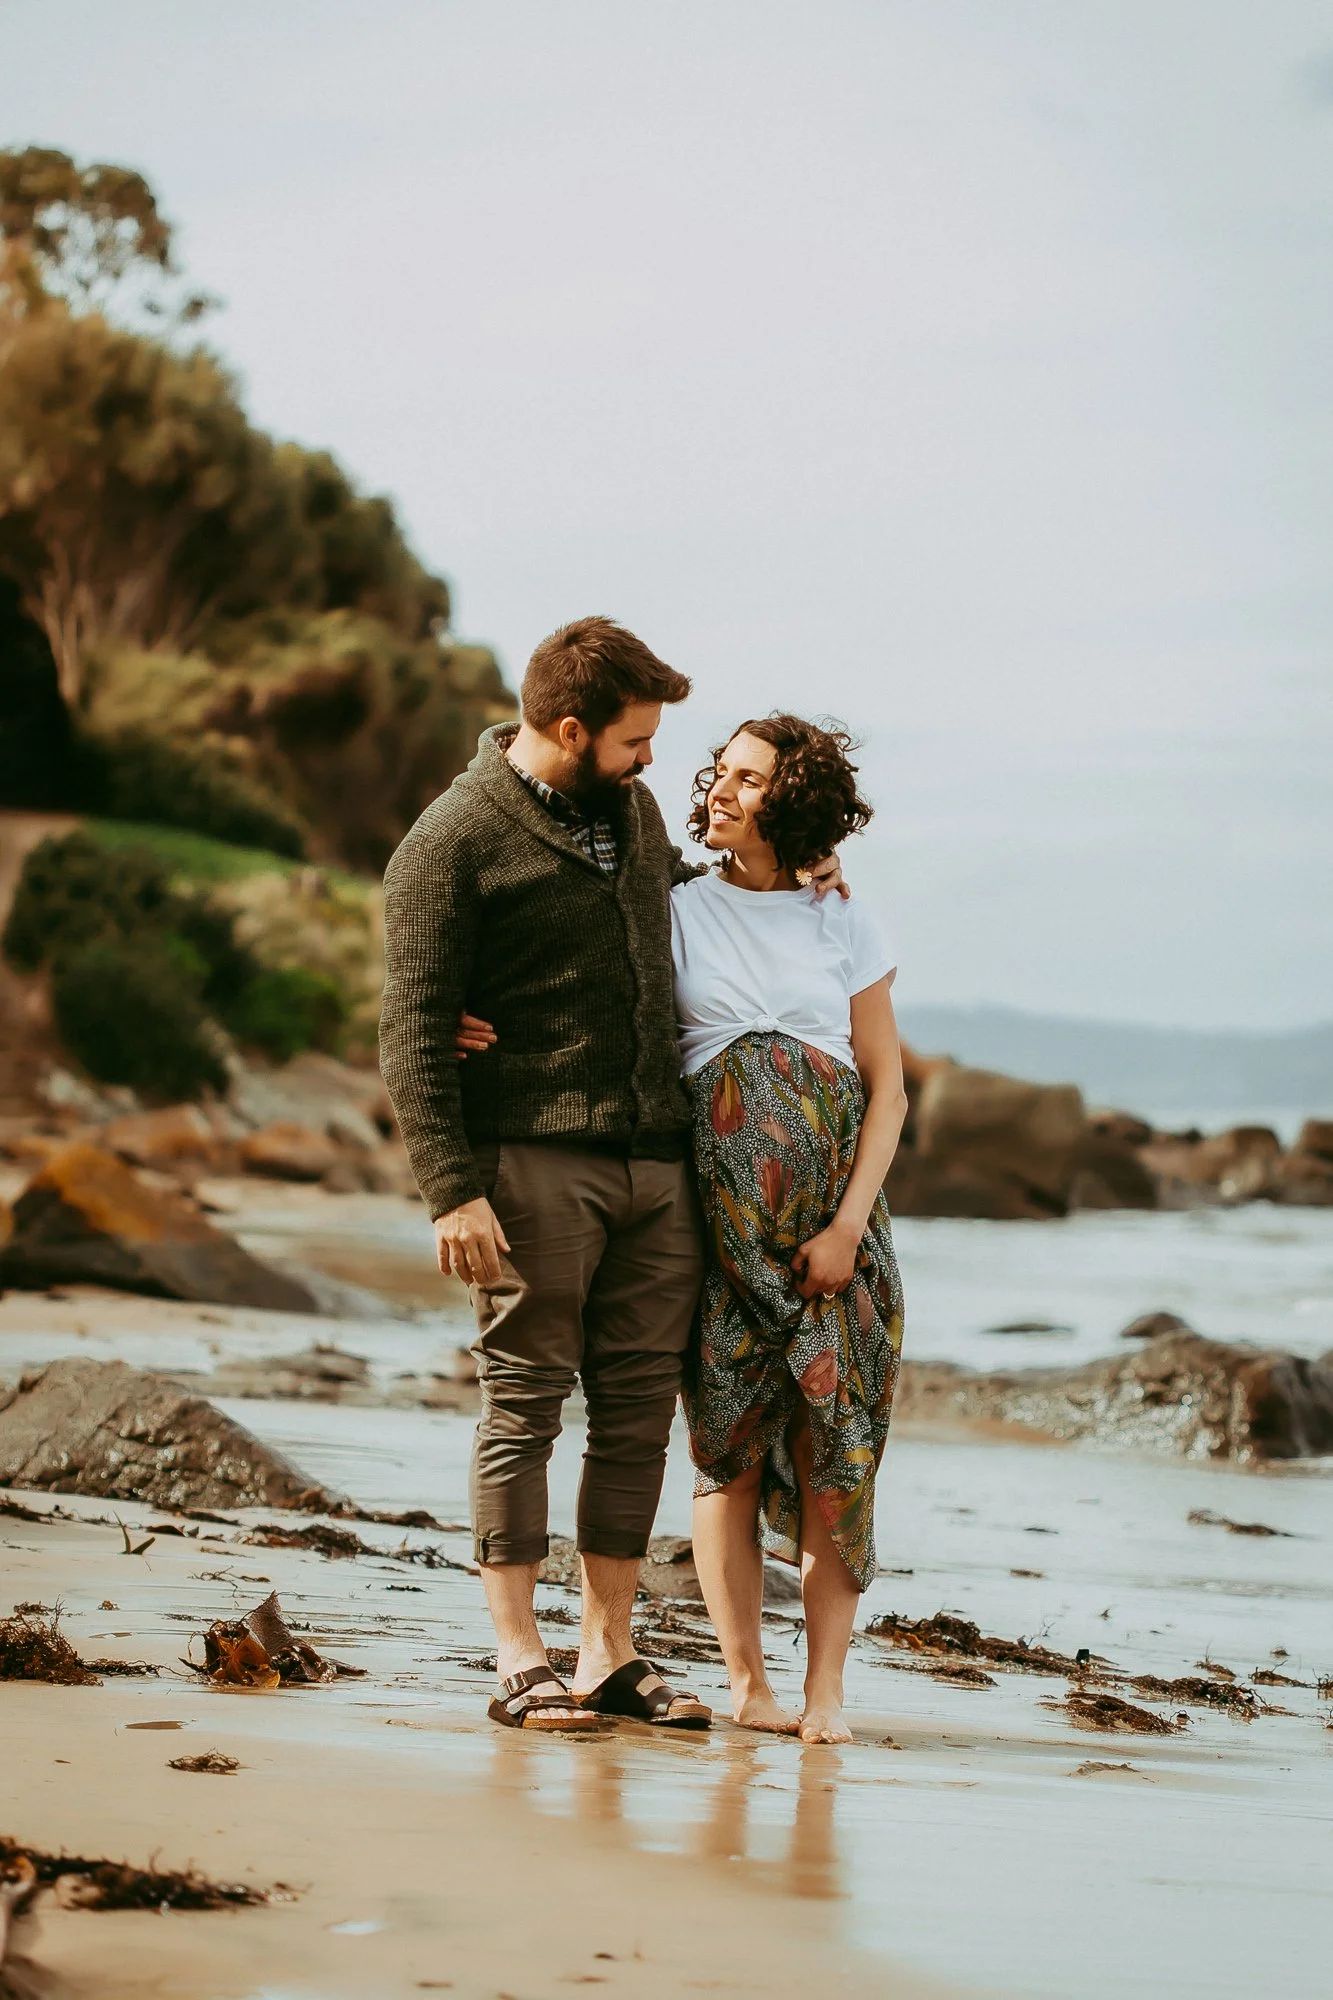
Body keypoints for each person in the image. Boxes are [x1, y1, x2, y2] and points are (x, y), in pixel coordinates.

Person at [379, 618, 842, 1733]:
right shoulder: (448, 843)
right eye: (636, 741)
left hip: (657, 1164)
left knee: (638, 1414)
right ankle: (517, 1654)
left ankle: (609, 1651)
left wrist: (792, 867)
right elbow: (410, 1024)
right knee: (524, 1403)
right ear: (572, 728)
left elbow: (675, 900)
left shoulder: (626, 816)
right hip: (532, 1161)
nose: (653, 766)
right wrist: (451, 1187)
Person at [672, 715, 907, 1745]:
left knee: (834, 1449)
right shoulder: (672, 908)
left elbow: (888, 1089)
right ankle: (745, 1683)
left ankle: (823, 1692)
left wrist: (847, 1226)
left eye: (749, 776)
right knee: (724, 1447)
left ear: (796, 797)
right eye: (719, 771)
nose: (722, 788)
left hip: (834, 1235)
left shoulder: (842, 918)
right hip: (720, 1235)